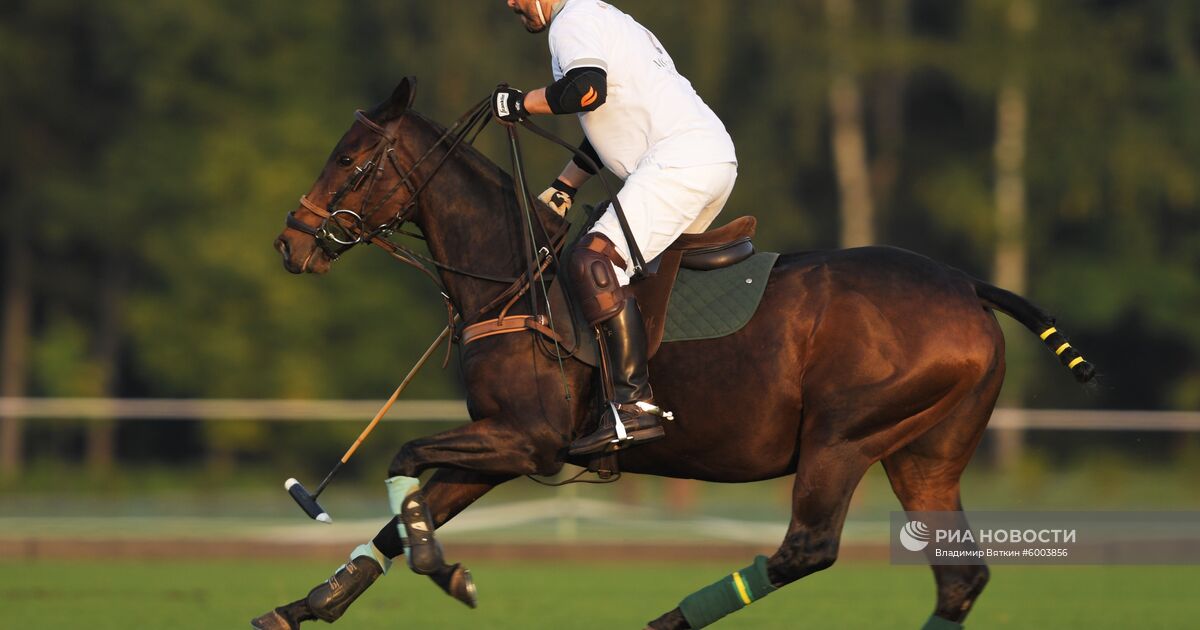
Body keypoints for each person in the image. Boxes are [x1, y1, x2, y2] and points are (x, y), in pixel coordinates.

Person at [494, 0, 738, 455]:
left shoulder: (571, 24)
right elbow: (606, 121)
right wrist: (565, 186)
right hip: (708, 160)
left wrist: (519, 103)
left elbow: (587, 92)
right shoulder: (602, 17)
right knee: (629, 274)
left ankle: (632, 409)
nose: (511, 2)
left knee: (594, 260)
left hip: (680, 163)